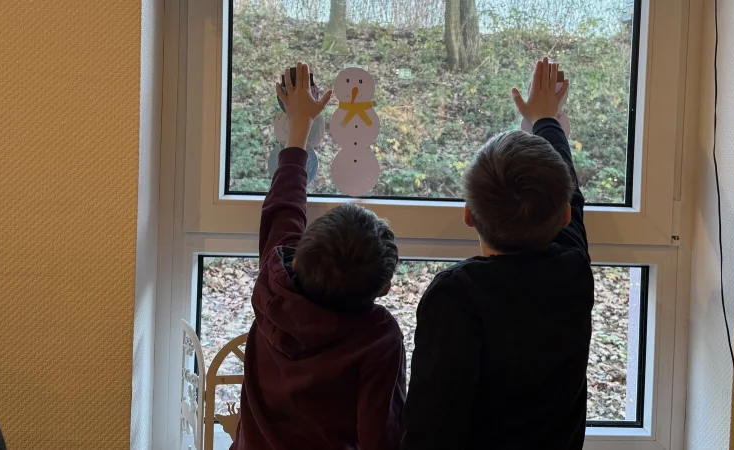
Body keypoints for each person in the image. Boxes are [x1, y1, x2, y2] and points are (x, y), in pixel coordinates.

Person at [401, 57, 594, 450]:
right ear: (565, 216)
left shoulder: (455, 296)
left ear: (468, 214)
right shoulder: (572, 271)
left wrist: (546, 120)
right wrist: (547, 121)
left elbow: (429, 428)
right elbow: (569, 195)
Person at [231, 62, 406, 450]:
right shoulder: (377, 339)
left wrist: (299, 130)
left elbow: (283, 207)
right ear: (385, 288)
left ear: (300, 255)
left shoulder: (275, 284)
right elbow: (383, 440)